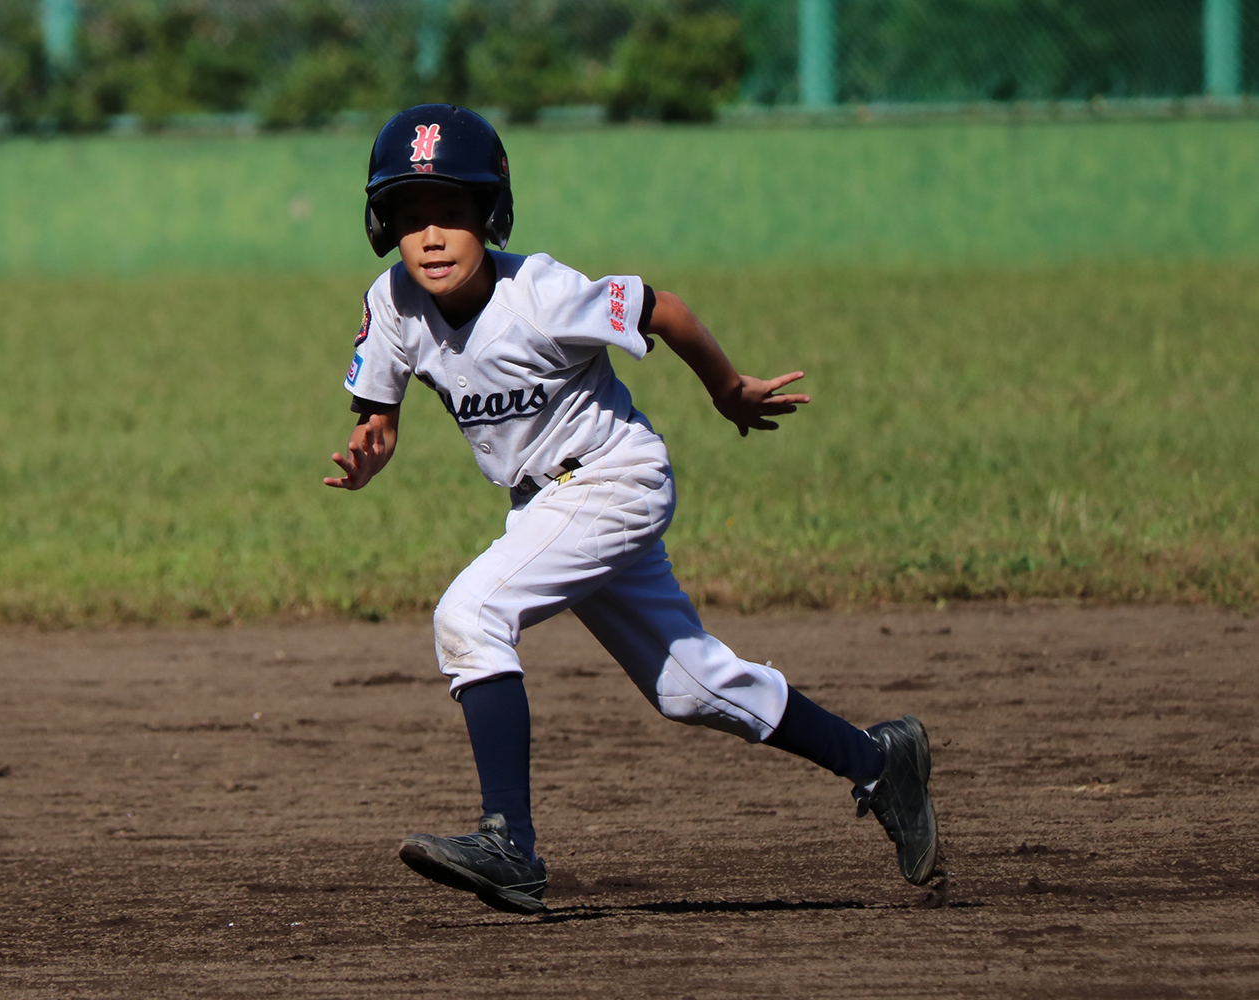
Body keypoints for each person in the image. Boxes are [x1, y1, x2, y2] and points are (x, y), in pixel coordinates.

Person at [324, 105, 939, 915]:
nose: (430, 235)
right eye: (409, 216)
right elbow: (381, 413)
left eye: (451, 213)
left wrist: (726, 389)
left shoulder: (538, 293)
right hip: (548, 502)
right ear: (383, 226)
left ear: (491, 215)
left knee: (471, 614)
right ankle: (878, 761)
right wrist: (373, 450)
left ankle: (510, 842)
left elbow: (661, 308)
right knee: (692, 687)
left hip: (613, 481)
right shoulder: (395, 300)